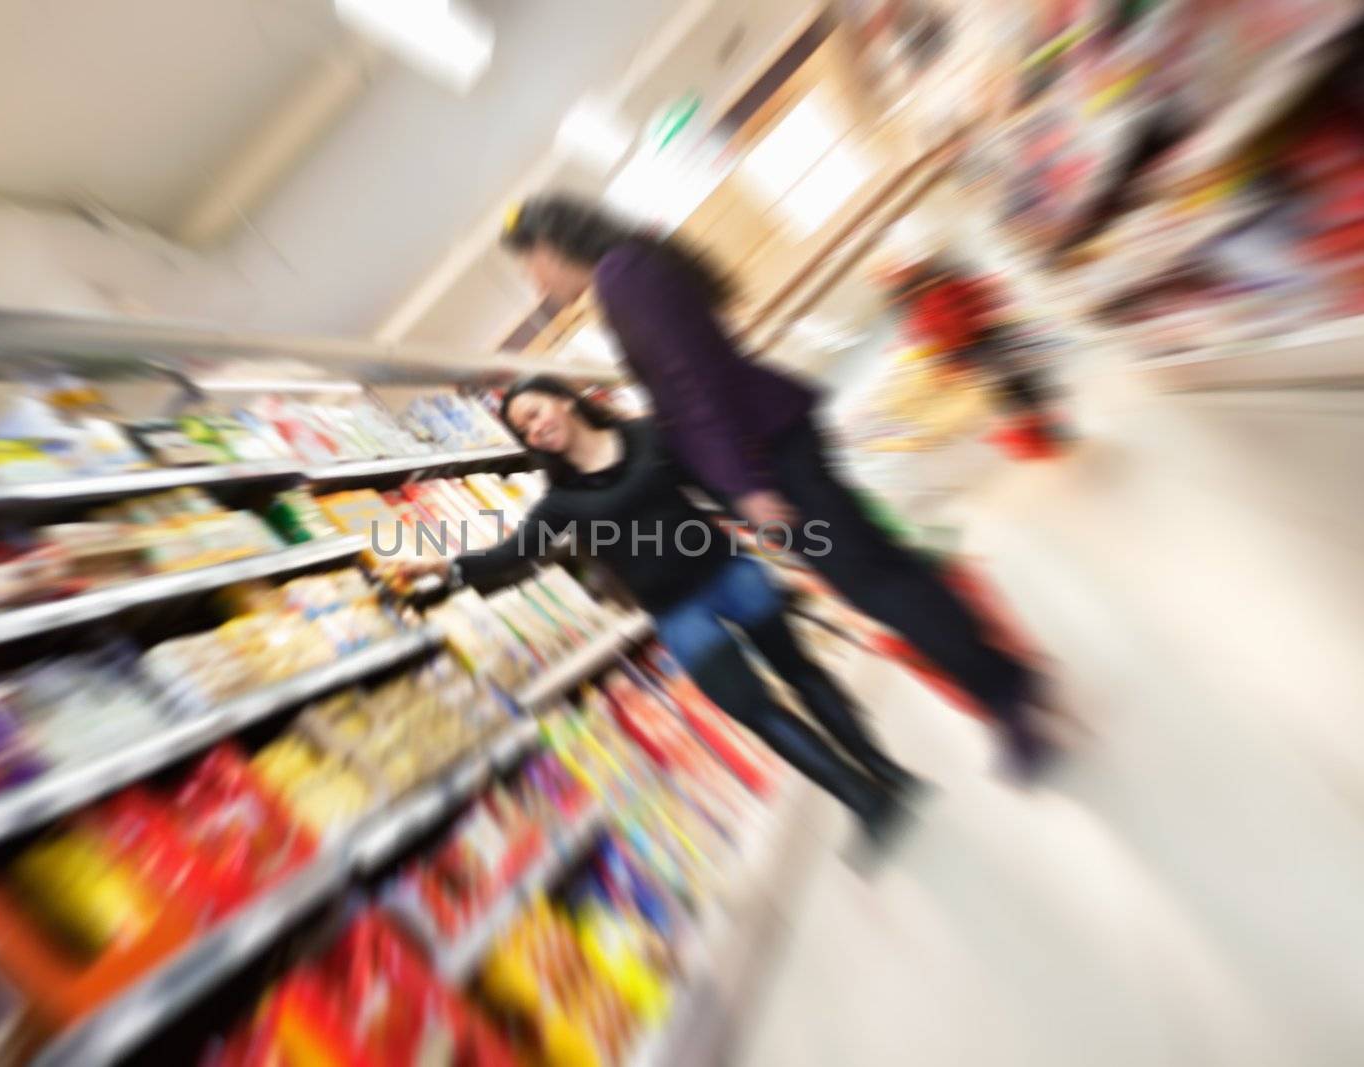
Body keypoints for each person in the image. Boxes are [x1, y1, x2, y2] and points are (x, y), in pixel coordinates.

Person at [501, 195, 1052, 777]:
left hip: (768, 458)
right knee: (884, 570)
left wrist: (744, 484)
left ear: (550, 246)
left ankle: (1007, 696)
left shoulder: (621, 279)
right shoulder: (633, 264)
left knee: (878, 583)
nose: (534, 283)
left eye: (528, 266)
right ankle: (1009, 678)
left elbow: (693, 387)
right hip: (773, 442)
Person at [393, 377, 921, 844]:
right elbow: (512, 554)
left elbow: (715, 482)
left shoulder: (649, 435)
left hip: (732, 574)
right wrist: (446, 567)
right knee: (756, 710)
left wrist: (770, 513)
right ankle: (865, 800)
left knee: (802, 672)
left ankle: (885, 770)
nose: (533, 430)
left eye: (534, 413)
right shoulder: (562, 502)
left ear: (564, 401)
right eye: (523, 430)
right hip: (678, 615)